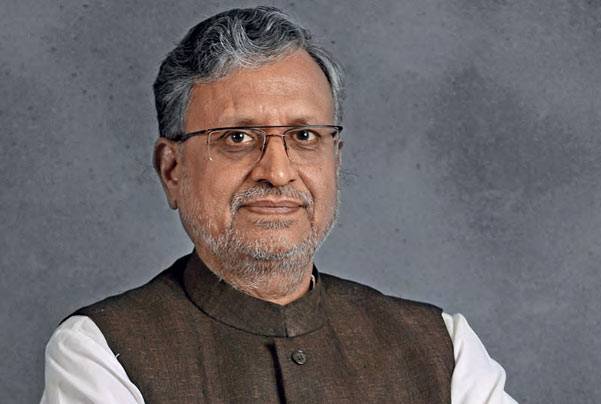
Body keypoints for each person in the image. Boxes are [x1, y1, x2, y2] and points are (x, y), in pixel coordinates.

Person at [41, 6, 516, 404]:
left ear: (335, 160)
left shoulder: (443, 347)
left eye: (304, 136)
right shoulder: (101, 350)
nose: (278, 171)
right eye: (237, 137)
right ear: (172, 170)